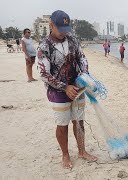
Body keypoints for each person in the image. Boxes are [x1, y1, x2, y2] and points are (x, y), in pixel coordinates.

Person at [37, 10, 97, 169]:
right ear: (51, 25)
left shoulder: (72, 39)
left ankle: (82, 151)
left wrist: (85, 75)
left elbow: (81, 57)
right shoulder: (44, 46)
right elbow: (43, 73)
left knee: (79, 121)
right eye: (60, 29)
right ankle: (65, 155)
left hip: (78, 87)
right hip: (57, 92)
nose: (64, 33)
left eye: (66, 29)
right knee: (62, 124)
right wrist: (64, 87)